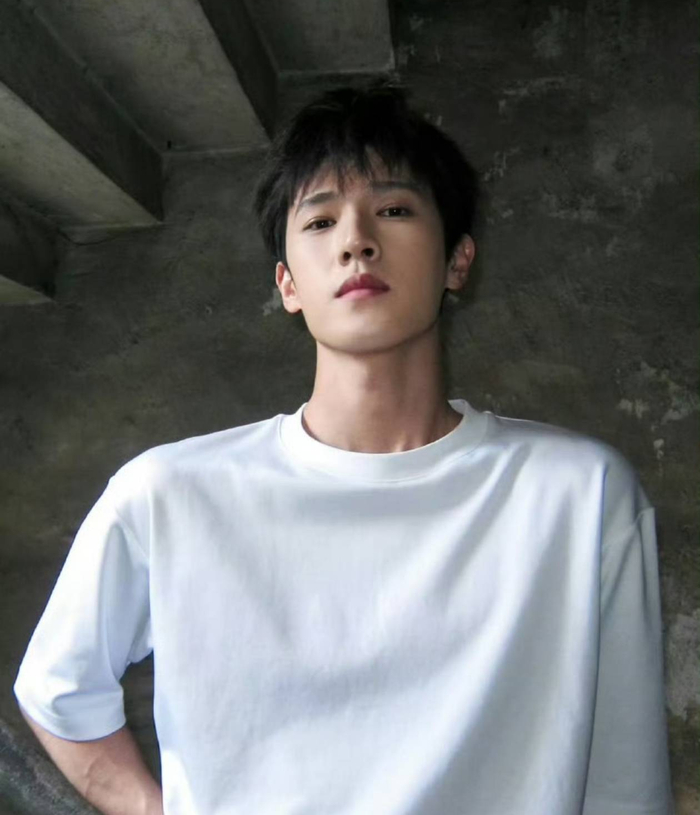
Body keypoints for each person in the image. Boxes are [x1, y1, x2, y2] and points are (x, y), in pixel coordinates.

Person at [14, 80, 674, 815]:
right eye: (321, 220)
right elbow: (57, 687)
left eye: (394, 210)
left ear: (458, 261)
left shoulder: (577, 494)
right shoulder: (169, 493)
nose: (356, 241)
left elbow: (625, 777)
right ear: (288, 284)